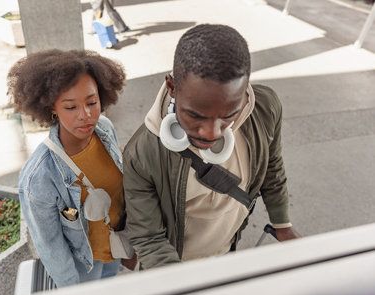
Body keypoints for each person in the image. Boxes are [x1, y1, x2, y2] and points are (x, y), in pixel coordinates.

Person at [123, 24, 301, 269]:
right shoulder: (141, 154)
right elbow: (148, 237)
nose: (212, 133)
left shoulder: (266, 108)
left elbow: (272, 166)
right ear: (172, 87)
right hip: (171, 267)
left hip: (227, 250)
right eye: (195, 115)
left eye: (229, 115)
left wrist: (283, 225)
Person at [7, 49, 133, 288]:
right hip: (83, 265)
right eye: (70, 107)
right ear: (52, 108)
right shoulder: (40, 177)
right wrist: (72, 290)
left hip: (115, 246)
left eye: (92, 102)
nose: (85, 115)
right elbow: (50, 245)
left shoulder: (104, 128)